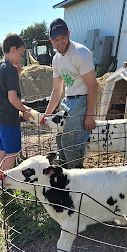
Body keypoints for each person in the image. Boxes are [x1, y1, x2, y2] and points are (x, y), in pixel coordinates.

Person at [43, 18, 98, 168]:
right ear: (51, 40)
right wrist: (47, 114)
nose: (60, 42)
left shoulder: (80, 53)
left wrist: (90, 114)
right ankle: (65, 172)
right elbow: (57, 89)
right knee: (60, 139)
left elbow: (93, 86)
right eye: (56, 40)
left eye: (63, 38)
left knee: (70, 141)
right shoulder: (56, 59)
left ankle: (77, 174)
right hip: (68, 101)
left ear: (68, 34)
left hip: (82, 99)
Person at [0, 33, 34, 171]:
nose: (21, 57)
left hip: (0, 116)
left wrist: (17, 74)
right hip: (10, 119)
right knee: (13, 152)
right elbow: (12, 98)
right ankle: (4, 182)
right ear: (13, 49)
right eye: (21, 53)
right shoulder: (10, 69)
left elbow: (4, 91)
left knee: (3, 150)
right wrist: (24, 110)